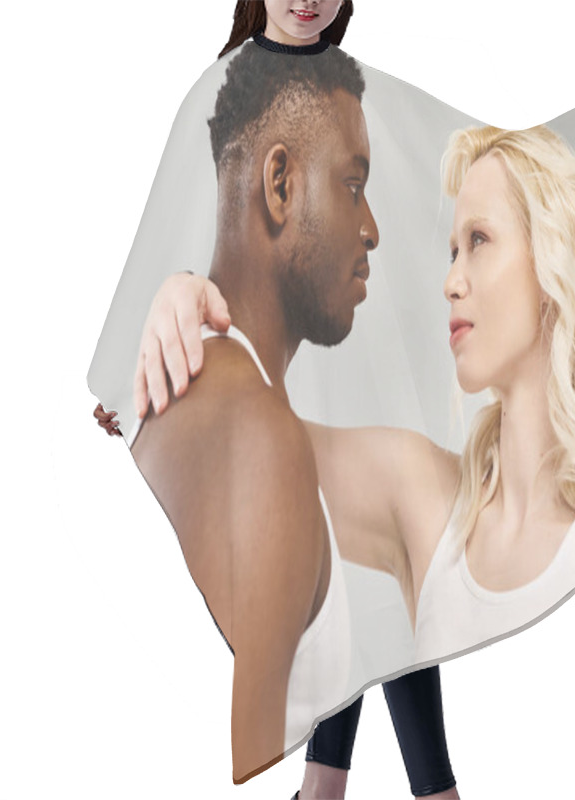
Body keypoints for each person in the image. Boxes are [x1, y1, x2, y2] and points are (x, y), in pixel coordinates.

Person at [96, 2, 459, 798]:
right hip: (281, 377)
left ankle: (329, 787)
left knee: (381, 567)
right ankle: (406, 791)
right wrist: (137, 367)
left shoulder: (357, 87)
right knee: (367, 560)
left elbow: (453, 159)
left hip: (353, 364)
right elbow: (178, 226)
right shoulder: (220, 89)